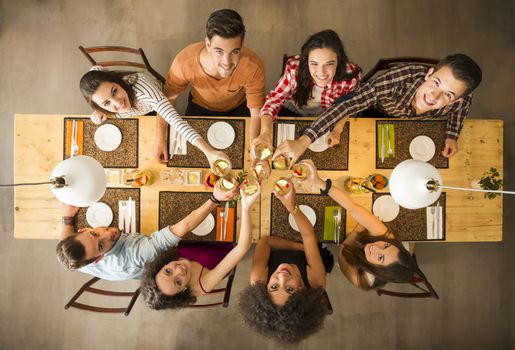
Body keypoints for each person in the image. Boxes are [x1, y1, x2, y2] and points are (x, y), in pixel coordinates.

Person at [273, 53, 482, 164]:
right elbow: (348, 103)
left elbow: (463, 107)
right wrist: (303, 141)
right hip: (373, 111)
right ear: (428, 74)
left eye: (448, 94)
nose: (434, 96)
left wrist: (452, 135)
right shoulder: (395, 81)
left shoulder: (461, 100)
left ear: (455, 100)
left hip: (405, 129)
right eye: (436, 83)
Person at [56, 184, 238, 281]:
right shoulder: (138, 255)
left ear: (85, 229)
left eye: (94, 234)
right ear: (98, 259)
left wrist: (67, 217)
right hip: (166, 262)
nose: (107, 234)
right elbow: (183, 228)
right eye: (101, 245)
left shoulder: (77, 256)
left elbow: (64, 240)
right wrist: (215, 198)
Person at [159, 9, 265, 161]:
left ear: (242, 45)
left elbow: (256, 114)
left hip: (239, 108)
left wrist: (256, 153)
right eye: (219, 51)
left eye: (235, 51)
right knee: (193, 158)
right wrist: (160, 139)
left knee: (242, 158)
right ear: (208, 44)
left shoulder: (253, 65)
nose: (227, 62)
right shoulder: (184, 61)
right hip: (200, 107)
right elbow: (167, 100)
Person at [300, 160, 418, 290]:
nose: (376, 248)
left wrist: (359, 229)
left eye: (380, 257)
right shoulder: (387, 237)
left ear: (379, 271)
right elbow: (352, 207)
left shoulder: (361, 279)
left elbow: (343, 253)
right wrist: (319, 182)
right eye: (386, 245)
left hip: (347, 252)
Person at [238, 178, 330, 344]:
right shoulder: (317, 282)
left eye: (274, 287)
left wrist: (305, 248)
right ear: (302, 290)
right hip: (305, 235)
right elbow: (309, 235)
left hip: (288, 240)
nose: (282, 277)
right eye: (289, 289)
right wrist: (290, 206)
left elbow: (265, 241)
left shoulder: (257, 280)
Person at [79, 67, 230, 168]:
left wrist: (209, 151)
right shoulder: (104, 106)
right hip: (138, 115)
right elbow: (95, 68)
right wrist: (98, 114)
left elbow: (176, 121)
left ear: (117, 81)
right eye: (106, 103)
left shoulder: (144, 91)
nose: (118, 102)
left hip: (154, 105)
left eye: (114, 91)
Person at [140, 184, 261, 309]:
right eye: (178, 282)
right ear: (182, 291)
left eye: (168, 271)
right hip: (222, 237)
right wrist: (246, 207)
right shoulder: (203, 284)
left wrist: (215, 198)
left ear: (161, 267)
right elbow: (242, 247)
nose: (179, 270)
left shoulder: (162, 258)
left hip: (198, 228)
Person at [252, 29, 361, 159]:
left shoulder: (351, 76)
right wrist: (265, 132)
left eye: (329, 64)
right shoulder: (294, 70)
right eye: (314, 64)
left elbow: (349, 105)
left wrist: (337, 130)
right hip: (296, 111)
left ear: (339, 61)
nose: (321, 73)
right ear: (306, 60)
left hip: (330, 116)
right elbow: (274, 100)